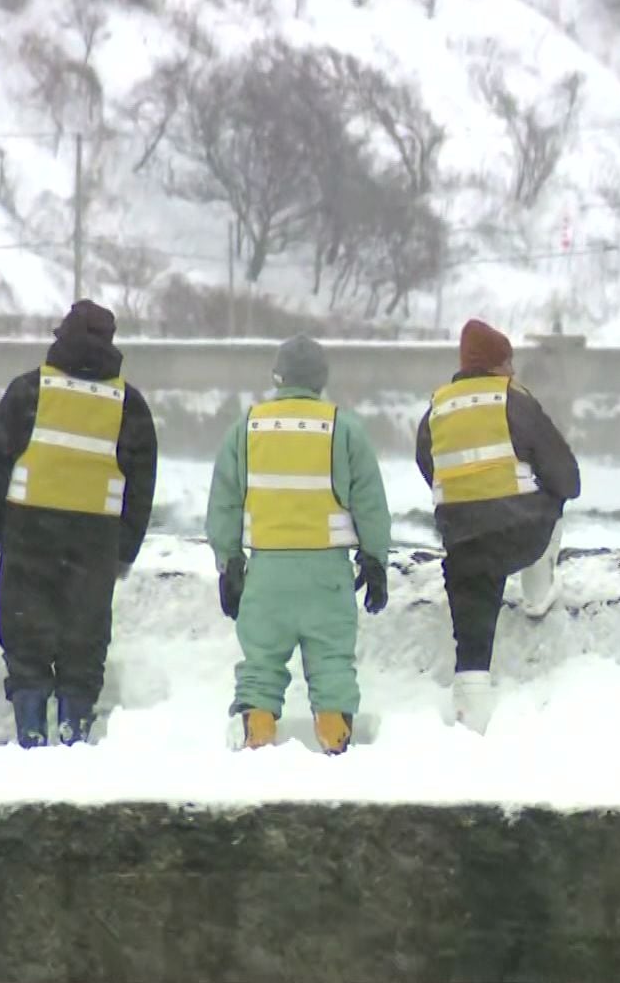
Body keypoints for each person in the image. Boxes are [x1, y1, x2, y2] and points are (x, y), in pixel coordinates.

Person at [0, 300, 159, 747]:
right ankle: (75, 732)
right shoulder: (128, 405)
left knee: (25, 631)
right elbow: (141, 484)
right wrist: (126, 550)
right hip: (95, 541)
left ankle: (31, 731)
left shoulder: (30, 390)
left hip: (27, 531)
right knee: (84, 638)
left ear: (61, 338)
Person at [206, 335, 391, 755]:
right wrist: (376, 561)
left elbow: (225, 501)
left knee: (260, 668)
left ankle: (257, 742)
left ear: (278, 376)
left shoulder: (247, 428)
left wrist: (229, 562)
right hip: (328, 576)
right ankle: (334, 745)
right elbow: (371, 504)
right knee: (331, 668)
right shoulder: (343, 428)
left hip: (267, 574)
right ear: (321, 379)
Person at [415, 319, 580, 731]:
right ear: (499, 364)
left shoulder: (435, 410)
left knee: (471, 647)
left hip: (464, 544)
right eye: (510, 363)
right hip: (520, 534)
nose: (513, 372)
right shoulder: (514, 401)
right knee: (556, 498)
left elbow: (428, 467)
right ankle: (537, 593)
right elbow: (567, 478)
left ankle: (471, 725)